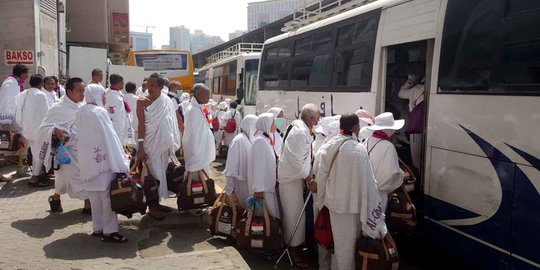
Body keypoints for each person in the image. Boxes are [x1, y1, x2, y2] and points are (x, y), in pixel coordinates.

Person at [310, 113, 386, 270]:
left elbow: (321, 178)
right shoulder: (359, 150)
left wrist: (321, 201)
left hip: (334, 207)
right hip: (354, 208)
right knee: (350, 250)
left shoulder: (328, 146)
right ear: (356, 127)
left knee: (339, 246)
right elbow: (369, 182)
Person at [75, 83, 129, 243]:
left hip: (87, 163)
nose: (105, 97)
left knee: (94, 197)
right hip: (103, 162)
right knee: (107, 197)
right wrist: (120, 159)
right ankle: (110, 231)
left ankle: (98, 228)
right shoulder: (99, 112)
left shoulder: (81, 111)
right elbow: (110, 137)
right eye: (103, 94)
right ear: (97, 95)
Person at [277, 103, 320, 268]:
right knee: (293, 216)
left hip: (295, 179)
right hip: (290, 180)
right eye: (317, 118)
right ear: (310, 119)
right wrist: (309, 180)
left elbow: (305, 156)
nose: (318, 121)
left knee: (298, 217)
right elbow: (297, 162)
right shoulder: (299, 132)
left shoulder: (302, 129)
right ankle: (291, 252)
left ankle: (295, 248)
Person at [36, 77, 88, 213]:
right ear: (69, 91)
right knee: (77, 176)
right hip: (66, 151)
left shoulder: (83, 106)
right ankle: (88, 204)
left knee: (74, 177)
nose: (83, 94)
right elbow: (43, 128)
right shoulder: (58, 108)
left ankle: (55, 198)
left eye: (84, 90)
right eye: (79, 91)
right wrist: (55, 131)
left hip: (83, 149)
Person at [136, 73, 182, 220]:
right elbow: (141, 125)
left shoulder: (166, 101)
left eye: (153, 86)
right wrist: (141, 146)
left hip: (163, 145)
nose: (149, 88)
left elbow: (172, 122)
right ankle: (151, 206)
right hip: (150, 144)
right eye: (148, 85)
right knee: (152, 174)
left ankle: (157, 203)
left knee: (161, 173)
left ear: (161, 87)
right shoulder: (141, 102)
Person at [15, 74, 52, 187]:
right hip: (39, 131)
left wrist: (22, 126)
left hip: (26, 130)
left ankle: (39, 174)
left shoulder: (23, 94)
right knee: (39, 154)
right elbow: (47, 113)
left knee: (34, 152)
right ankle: (35, 177)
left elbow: (18, 112)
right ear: (41, 84)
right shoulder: (41, 95)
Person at [365, 112, 405, 210]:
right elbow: (391, 175)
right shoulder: (389, 146)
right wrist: (401, 175)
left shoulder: (367, 140)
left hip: (365, 191)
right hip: (379, 194)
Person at [247, 113, 280, 218]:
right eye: (273, 122)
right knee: (263, 221)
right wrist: (259, 189)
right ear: (267, 124)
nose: (275, 125)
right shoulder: (260, 141)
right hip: (262, 190)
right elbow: (259, 167)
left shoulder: (264, 139)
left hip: (267, 187)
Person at [223, 114, 258, 209]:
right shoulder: (238, 141)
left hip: (247, 185)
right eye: (256, 126)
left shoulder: (249, 139)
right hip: (239, 186)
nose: (257, 130)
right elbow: (231, 167)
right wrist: (230, 191)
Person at [182, 83, 216, 175]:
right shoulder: (192, 110)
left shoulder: (201, 107)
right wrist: (196, 152)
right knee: (195, 179)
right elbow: (193, 135)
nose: (208, 97)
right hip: (197, 151)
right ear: (197, 95)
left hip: (202, 150)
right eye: (206, 94)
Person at [398, 63, 425, 169]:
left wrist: (409, 81)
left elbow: (400, 93)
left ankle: (417, 180)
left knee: (416, 159)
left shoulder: (417, 88)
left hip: (417, 128)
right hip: (433, 127)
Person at [106, 74, 135, 146]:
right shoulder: (110, 95)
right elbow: (112, 114)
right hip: (116, 129)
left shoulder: (118, 92)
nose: (123, 83)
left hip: (122, 127)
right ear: (119, 83)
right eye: (122, 81)